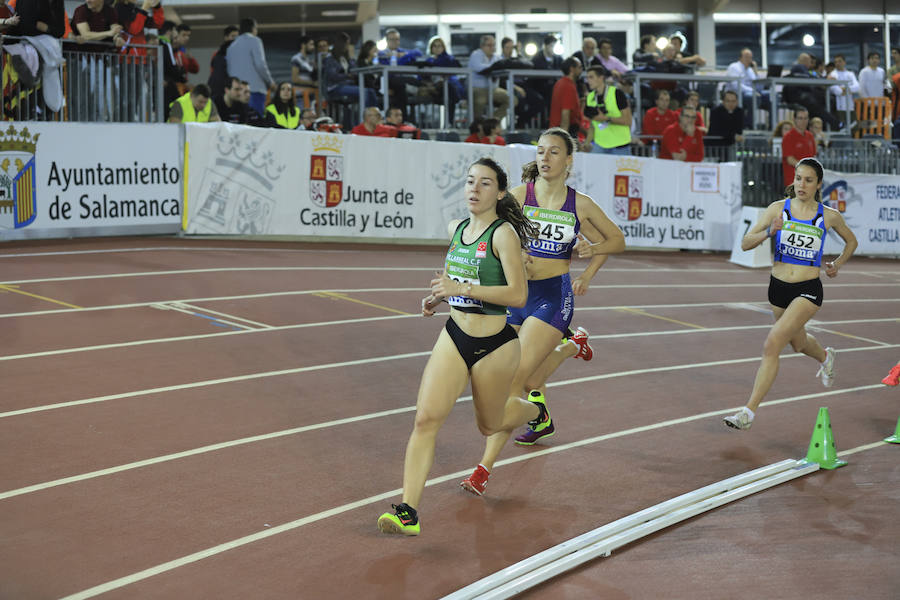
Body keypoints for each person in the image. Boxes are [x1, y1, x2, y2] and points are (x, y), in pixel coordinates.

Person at [459, 127, 626, 496]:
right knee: (532, 381)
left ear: (569, 160)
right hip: (518, 296)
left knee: (514, 377)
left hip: (553, 296)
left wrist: (590, 252)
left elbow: (618, 240)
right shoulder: (519, 197)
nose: (545, 158)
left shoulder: (579, 204)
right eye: (540, 151)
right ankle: (568, 352)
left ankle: (483, 470)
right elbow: (487, 232)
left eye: (554, 152)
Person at [376, 158, 537, 535]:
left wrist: (460, 290)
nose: (473, 189)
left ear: (499, 193)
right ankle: (408, 511)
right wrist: (442, 299)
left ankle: (532, 411)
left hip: (495, 345)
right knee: (425, 419)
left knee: (491, 425)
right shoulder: (458, 228)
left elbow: (517, 294)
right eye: (469, 182)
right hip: (455, 335)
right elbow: (459, 279)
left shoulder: (503, 235)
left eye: (484, 184)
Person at [723, 158, 858, 430]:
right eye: (798, 178)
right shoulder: (777, 209)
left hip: (808, 290)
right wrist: (769, 232)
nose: (802, 185)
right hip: (778, 288)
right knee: (797, 344)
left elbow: (852, 241)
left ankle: (748, 412)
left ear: (819, 184)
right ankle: (825, 357)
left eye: (808, 180)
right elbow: (746, 243)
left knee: (772, 343)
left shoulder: (828, 215)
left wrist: (837, 264)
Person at [226, 18, 275, 117]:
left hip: (238, 93)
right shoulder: (255, 41)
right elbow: (260, 65)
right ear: (253, 29)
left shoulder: (231, 46)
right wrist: (270, 82)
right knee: (256, 123)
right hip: (255, 90)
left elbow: (229, 70)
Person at [582, 65, 632, 155]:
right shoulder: (590, 97)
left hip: (620, 145)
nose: (588, 80)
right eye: (587, 77)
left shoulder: (617, 93)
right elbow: (593, 124)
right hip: (600, 144)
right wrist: (587, 142)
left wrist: (606, 118)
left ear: (601, 78)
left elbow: (628, 121)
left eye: (591, 77)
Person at [321, 31, 376, 108]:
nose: (348, 46)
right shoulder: (330, 59)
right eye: (347, 44)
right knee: (364, 92)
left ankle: (374, 115)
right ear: (341, 44)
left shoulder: (345, 58)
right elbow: (332, 76)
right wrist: (348, 76)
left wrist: (351, 57)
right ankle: (366, 116)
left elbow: (355, 70)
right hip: (335, 88)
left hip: (348, 85)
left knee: (371, 91)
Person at [469, 35, 514, 122]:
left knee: (512, 99)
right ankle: (477, 125)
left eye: (493, 45)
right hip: (477, 89)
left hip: (494, 89)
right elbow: (479, 68)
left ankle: (493, 121)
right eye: (489, 45)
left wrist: (495, 67)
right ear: (482, 46)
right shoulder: (476, 54)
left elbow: (504, 67)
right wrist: (495, 67)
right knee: (480, 101)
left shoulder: (497, 57)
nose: (492, 48)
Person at [725, 48, 770, 128]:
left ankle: (772, 125)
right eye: (746, 57)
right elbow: (736, 85)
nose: (749, 59)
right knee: (753, 97)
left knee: (771, 95)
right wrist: (753, 91)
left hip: (751, 93)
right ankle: (748, 125)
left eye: (750, 57)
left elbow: (759, 87)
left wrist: (756, 71)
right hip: (736, 94)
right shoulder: (734, 67)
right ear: (740, 58)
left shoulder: (750, 70)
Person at [549, 56, 583, 138]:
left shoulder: (560, 83)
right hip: (565, 131)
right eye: (579, 67)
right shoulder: (568, 86)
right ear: (572, 69)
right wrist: (564, 138)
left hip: (558, 130)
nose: (581, 70)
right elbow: (565, 114)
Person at [781, 108, 816, 188]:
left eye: (805, 118)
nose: (803, 121)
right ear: (794, 119)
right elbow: (790, 160)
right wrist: (806, 168)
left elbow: (813, 156)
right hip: (794, 181)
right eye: (800, 118)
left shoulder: (810, 136)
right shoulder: (788, 137)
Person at [208, 25, 239, 99]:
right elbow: (214, 73)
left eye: (237, 37)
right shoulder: (217, 55)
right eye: (233, 36)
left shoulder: (239, 54)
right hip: (218, 90)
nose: (235, 39)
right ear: (226, 37)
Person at [290, 35, 317, 106]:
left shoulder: (309, 61)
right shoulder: (296, 58)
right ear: (303, 45)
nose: (313, 47)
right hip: (301, 96)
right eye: (311, 44)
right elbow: (295, 79)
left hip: (311, 96)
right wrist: (312, 83)